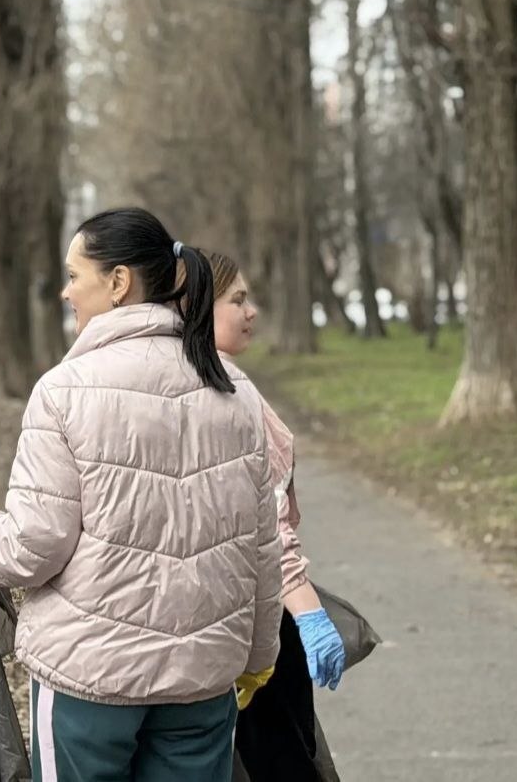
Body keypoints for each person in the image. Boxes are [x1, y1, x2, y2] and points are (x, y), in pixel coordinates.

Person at [0, 208, 283, 782]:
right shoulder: (236, 391)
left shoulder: (64, 391)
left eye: (75, 275)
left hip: (90, 679)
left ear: (118, 282)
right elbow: (261, 545)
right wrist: (258, 658)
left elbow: (33, 546)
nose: (66, 291)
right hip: (202, 680)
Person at [196, 251, 345, 782]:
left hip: (219, 618)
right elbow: (268, 522)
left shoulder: (203, 385)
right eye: (237, 300)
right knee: (282, 761)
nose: (251, 311)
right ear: (199, 308)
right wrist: (308, 612)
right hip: (261, 620)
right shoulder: (229, 392)